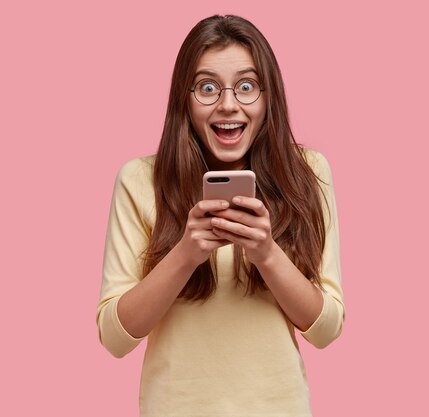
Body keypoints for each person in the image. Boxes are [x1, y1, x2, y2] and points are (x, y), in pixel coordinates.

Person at [96, 14, 345, 416]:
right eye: (207, 88)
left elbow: (327, 329)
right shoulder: (139, 180)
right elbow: (114, 336)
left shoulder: (309, 172)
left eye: (246, 87)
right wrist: (185, 254)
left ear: (268, 97)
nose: (228, 104)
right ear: (184, 97)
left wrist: (266, 253)